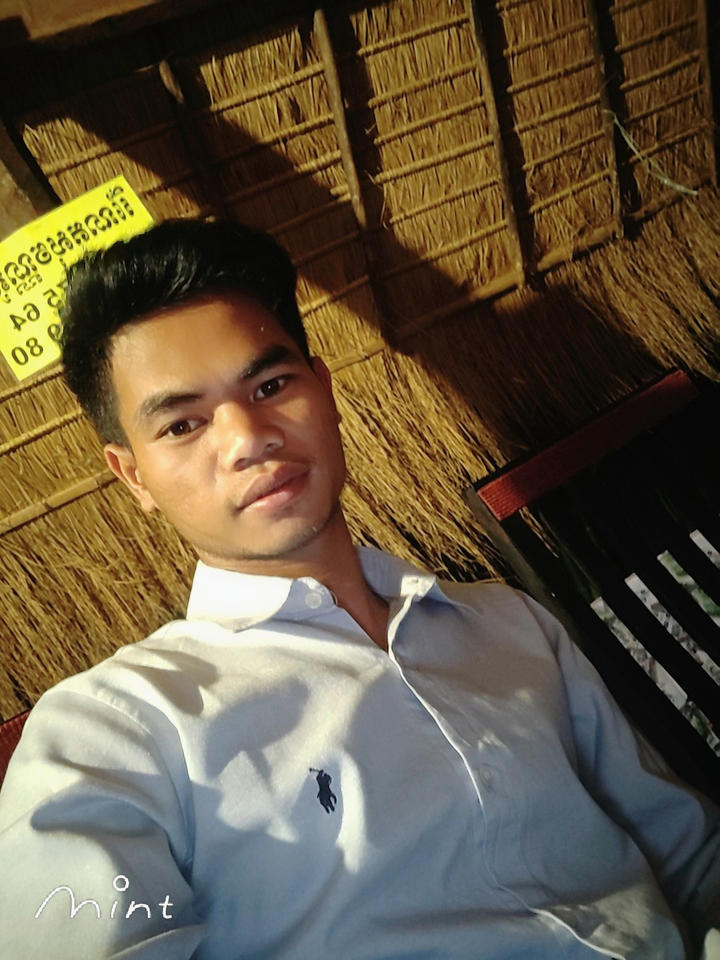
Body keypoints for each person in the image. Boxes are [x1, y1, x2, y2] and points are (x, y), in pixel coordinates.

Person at [0, 218, 718, 960]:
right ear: (133, 476)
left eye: (271, 385)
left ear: (326, 390)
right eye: (182, 425)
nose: (248, 437)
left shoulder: (509, 623)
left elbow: (688, 852)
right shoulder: (110, 734)